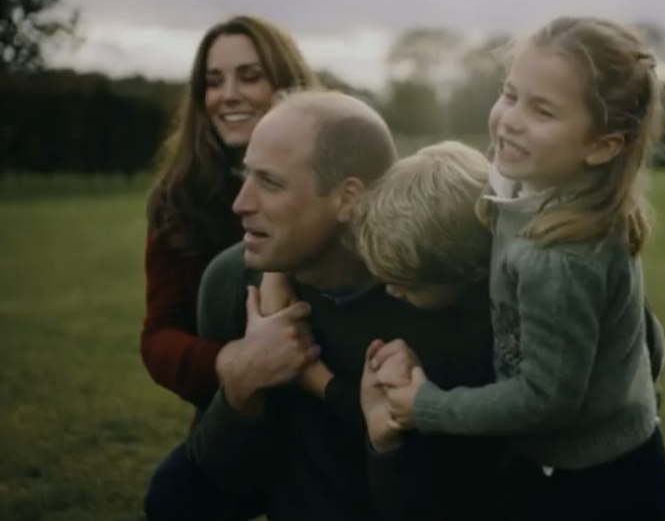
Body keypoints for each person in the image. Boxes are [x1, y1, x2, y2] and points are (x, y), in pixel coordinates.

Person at [370, 16, 665, 521]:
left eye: (542, 110)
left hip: (596, 487)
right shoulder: (540, 190)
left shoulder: (559, 258)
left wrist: (428, 407)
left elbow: (545, 401)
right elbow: (643, 334)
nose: (509, 119)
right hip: (607, 453)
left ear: (602, 145)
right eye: (510, 94)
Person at [186, 89, 507, 521]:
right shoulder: (232, 283)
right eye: (247, 175)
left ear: (348, 198)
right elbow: (222, 485)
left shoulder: (448, 290)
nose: (240, 203)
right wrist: (244, 382)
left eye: (270, 182)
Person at [140, 14, 321, 521]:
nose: (228, 95)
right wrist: (238, 363)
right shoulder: (180, 200)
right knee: (172, 497)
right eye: (213, 82)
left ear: (286, 83)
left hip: (329, 411)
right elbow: (159, 338)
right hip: (237, 408)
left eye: (250, 75)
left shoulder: (339, 173)